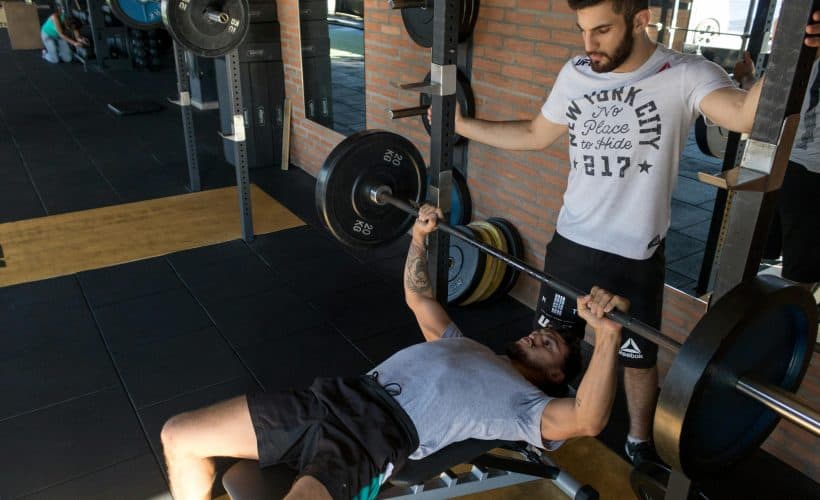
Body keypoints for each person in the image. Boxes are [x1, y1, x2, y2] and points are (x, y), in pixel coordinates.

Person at [429, 0, 820, 466]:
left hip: (635, 256)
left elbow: (744, 115)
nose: (588, 45)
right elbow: (536, 133)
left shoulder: (685, 72)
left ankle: (639, 443)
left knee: (638, 358)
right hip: (571, 244)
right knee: (547, 342)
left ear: (641, 20)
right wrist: (463, 125)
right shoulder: (576, 71)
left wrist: (790, 53)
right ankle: (535, 428)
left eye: (602, 31)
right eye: (582, 30)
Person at [160, 204, 631, 500]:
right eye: (539, 331)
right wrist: (420, 238)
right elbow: (419, 299)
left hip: (371, 439)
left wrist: (606, 337)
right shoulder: (461, 342)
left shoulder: (527, 408)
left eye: (548, 345)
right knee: (179, 436)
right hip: (332, 399)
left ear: (554, 377)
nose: (535, 335)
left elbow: (589, 418)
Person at [733, 50, 820, 290]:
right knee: (795, 267)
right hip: (796, 169)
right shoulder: (800, 61)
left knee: (797, 269)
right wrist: (749, 79)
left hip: (798, 170)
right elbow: (764, 106)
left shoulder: (801, 61)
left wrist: (748, 79)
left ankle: (784, 316)